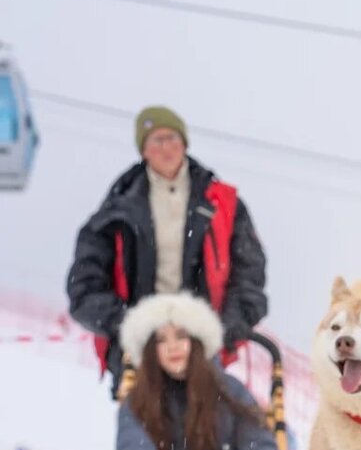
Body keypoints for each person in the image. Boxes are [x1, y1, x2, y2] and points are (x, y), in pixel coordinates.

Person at [67, 105, 268, 393]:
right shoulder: (115, 213)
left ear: (185, 143)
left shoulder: (225, 205)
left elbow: (249, 276)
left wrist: (221, 331)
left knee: (208, 428)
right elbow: (84, 288)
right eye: (156, 140)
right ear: (143, 150)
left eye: (172, 138)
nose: (166, 148)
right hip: (139, 352)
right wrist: (131, 326)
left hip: (205, 346)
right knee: (142, 433)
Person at [114, 292, 305, 450]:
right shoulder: (139, 400)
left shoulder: (227, 390)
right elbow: (135, 443)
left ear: (196, 342)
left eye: (181, 336)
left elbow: (255, 443)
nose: (172, 347)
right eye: (161, 340)